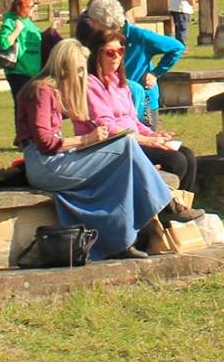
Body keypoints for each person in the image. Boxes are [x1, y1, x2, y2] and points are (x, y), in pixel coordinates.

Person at [16, 40, 173, 261]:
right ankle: (167, 206)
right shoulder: (42, 91)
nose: (82, 75)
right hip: (45, 165)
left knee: (122, 161)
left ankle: (124, 239)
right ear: (65, 66)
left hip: (56, 159)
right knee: (125, 144)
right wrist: (86, 139)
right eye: (79, 68)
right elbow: (45, 142)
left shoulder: (53, 90)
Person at [84, 30, 199, 203]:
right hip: (114, 145)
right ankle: (163, 212)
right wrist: (145, 140)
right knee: (176, 161)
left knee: (188, 155)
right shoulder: (92, 84)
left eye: (120, 51)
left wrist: (151, 134)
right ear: (96, 55)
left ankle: (183, 207)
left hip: (134, 139)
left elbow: (133, 119)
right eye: (110, 52)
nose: (116, 57)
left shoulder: (119, 82)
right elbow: (106, 126)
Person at [76, 0, 182, 125]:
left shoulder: (140, 36)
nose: (91, 25)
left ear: (105, 22)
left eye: (94, 21)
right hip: (116, 101)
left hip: (143, 101)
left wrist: (155, 73)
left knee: (147, 142)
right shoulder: (98, 39)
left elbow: (177, 47)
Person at [0, 0, 44, 102]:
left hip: (34, 72)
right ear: (21, 7)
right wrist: (17, 30)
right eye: (30, 6)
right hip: (18, 73)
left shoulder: (30, 23)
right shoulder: (10, 21)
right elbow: (3, 43)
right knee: (22, 107)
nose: (33, 8)